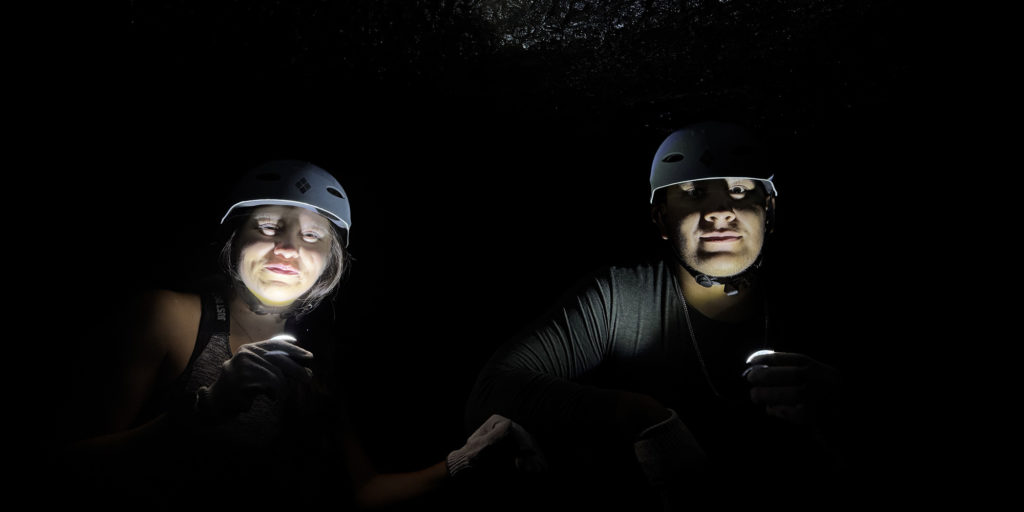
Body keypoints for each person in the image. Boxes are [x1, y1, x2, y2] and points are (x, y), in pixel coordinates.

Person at [57, 160, 544, 510]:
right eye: (269, 225)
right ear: (235, 240)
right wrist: (203, 412)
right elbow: (66, 467)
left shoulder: (315, 364)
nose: (288, 248)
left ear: (330, 261)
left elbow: (363, 491)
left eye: (313, 236)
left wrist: (464, 461)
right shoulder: (168, 318)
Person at [464, 122, 846, 510]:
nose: (719, 211)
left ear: (769, 210)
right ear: (661, 218)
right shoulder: (620, 298)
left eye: (739, 189)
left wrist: (847, 407)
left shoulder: (817, 301)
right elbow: (492, 389)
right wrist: (639, 415)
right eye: (694, 193)